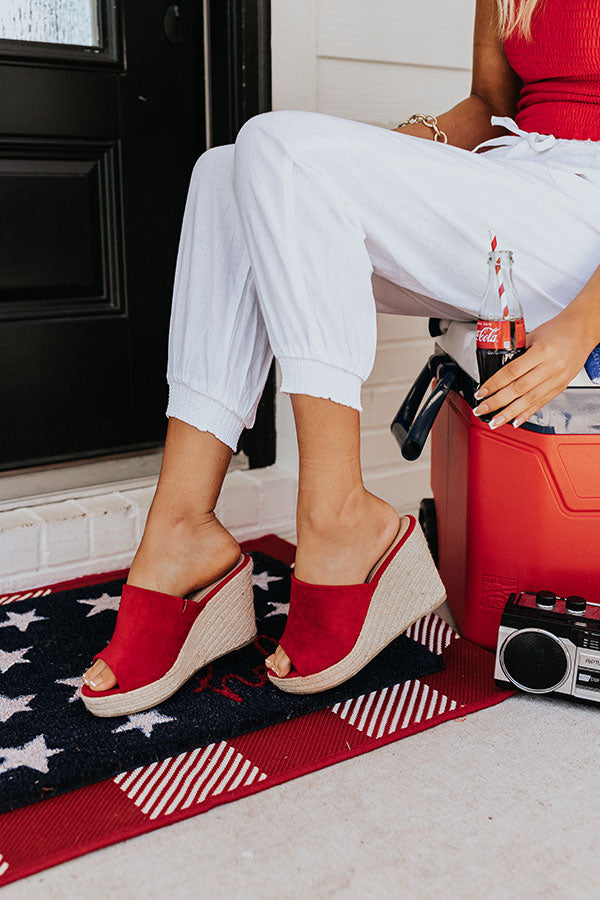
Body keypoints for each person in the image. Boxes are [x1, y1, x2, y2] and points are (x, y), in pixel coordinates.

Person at [80, 0, 600, 713]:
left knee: (275, 146)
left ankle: (339, 517)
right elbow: (490, 104)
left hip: (585, 216)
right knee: (230, 175)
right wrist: (397, 146)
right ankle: (180, 529)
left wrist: (583, 324)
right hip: (515, 182)